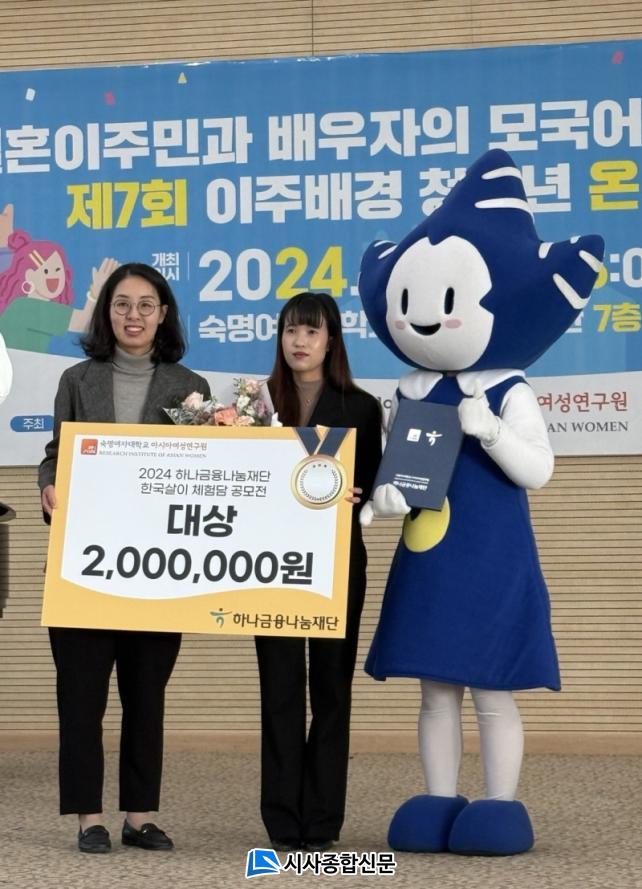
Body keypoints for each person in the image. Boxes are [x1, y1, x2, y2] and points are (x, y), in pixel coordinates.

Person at [38, 262, 211, 854]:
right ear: (105, 314)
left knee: (146, 697)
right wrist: (48, 484)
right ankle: (88, 818)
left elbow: (208, 471)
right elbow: (56, 453)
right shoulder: (77, 379)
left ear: (163, 315)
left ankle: (139, 817)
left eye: (145, 305)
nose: (132, 315)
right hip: (83, 566)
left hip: (159, 570)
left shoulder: (191, 386)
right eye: (121, 304)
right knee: (80, 699)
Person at [255, 291, 382, 852]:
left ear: (332, 341)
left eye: (311, 331)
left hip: (335, 564)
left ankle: (324, 819)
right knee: (280, 690)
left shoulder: (361, 407)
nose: (299, 341)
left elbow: (375, 486)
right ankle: (283, 817)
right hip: (268, 567)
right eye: (290, 330)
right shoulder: (255, 404)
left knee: (331, 690)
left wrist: (360, 494)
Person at [0, 229, 117, 353]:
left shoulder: (24, 305)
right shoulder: (28, 307)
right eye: (46, 271)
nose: (54, 277)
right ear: (29, 275)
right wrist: (96, 290)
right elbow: (84, 323)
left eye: (57, 270)